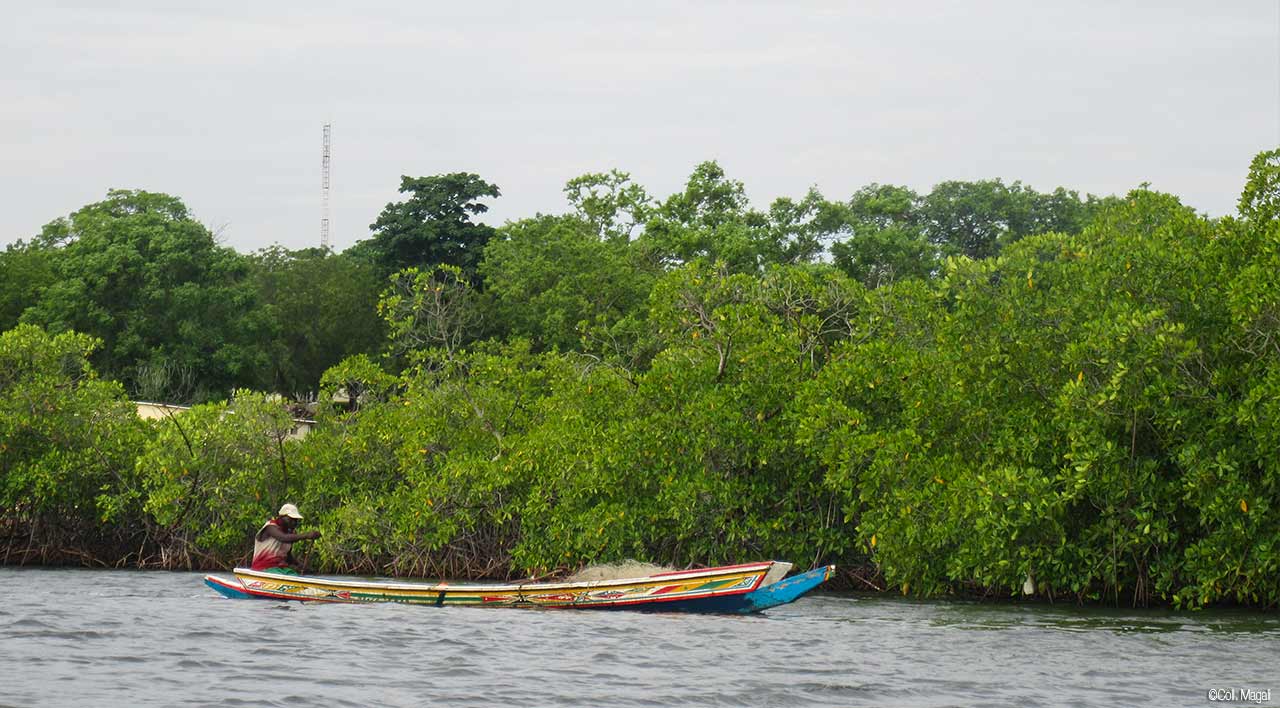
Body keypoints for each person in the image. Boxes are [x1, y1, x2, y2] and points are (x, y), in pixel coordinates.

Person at [251, 503, 321, 574]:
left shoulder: (290, 533)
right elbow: (283, 537)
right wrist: (306, 535)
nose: (294, 522)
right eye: (291, 519)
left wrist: (299, 565)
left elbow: (287, 556)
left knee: (294, 575)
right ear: (281, 517)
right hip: (264, 569)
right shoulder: (270, 527)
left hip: (280, 568)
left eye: (296, 520)